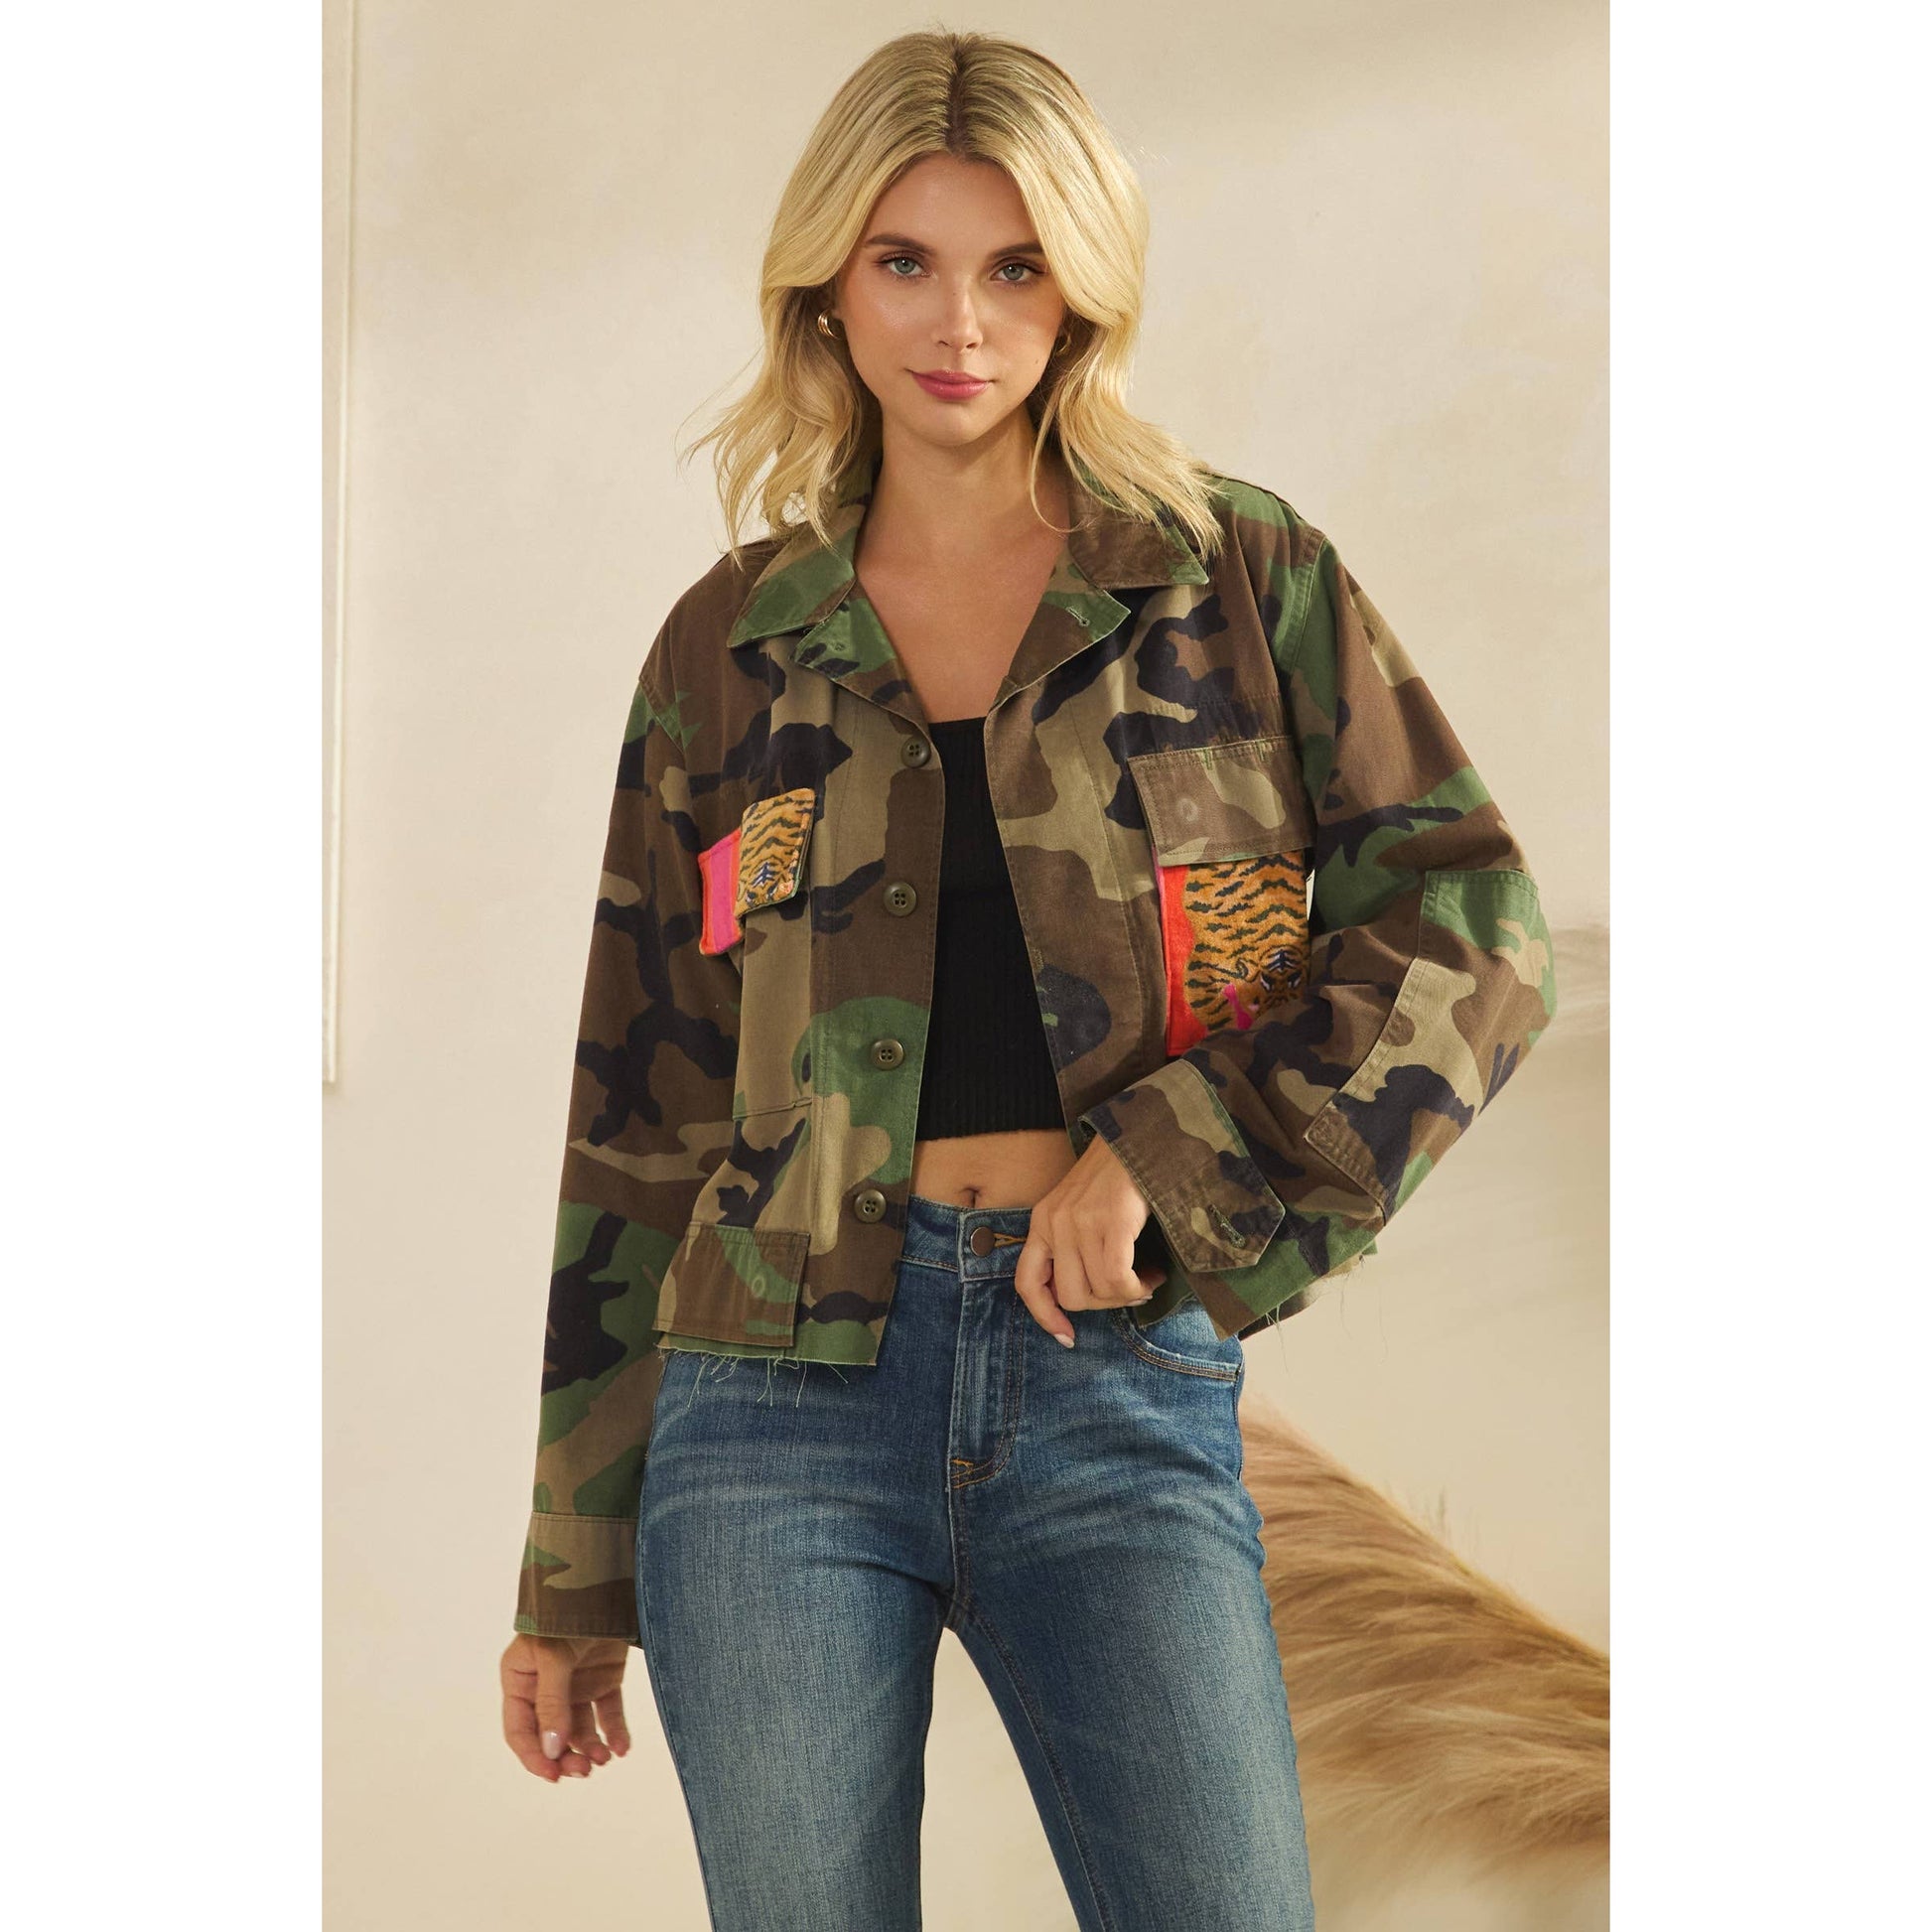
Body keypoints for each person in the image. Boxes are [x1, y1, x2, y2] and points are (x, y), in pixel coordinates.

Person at [496, 28, 1557, 1932]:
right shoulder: (730, 646)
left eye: (1014, 265)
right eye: (904, 260)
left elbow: (1472, 931)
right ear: (827, 282)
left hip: (1111, 1382)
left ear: (1084, 286)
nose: (960, 323)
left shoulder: (1235, 583)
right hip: (769, 1410)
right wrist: (572, 1570)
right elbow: (640, 1110)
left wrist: (1169, 1154)